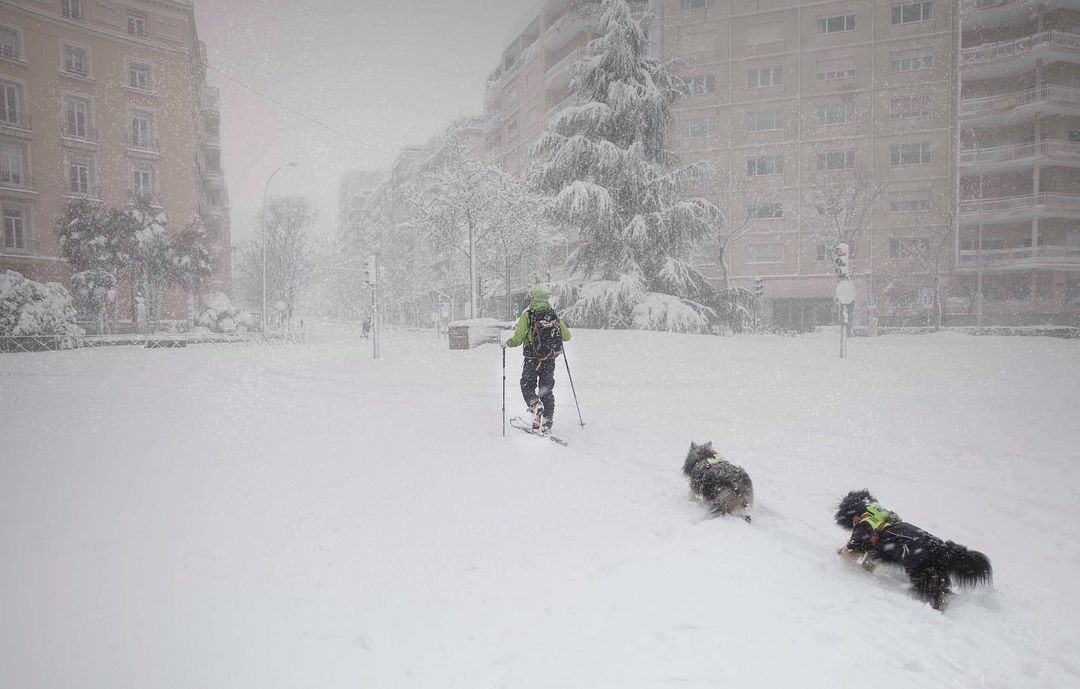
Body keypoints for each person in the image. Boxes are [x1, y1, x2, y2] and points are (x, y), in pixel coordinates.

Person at [504, 287, 571, 431]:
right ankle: (547, 422)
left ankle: (535, 404)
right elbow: (567, 336)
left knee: (527, 384)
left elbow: (518, 338)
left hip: (531, 359)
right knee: (546, 388)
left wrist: (507, 343)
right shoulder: (552, 314)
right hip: (549, 358)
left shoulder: (528, 314)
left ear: (533, 297)